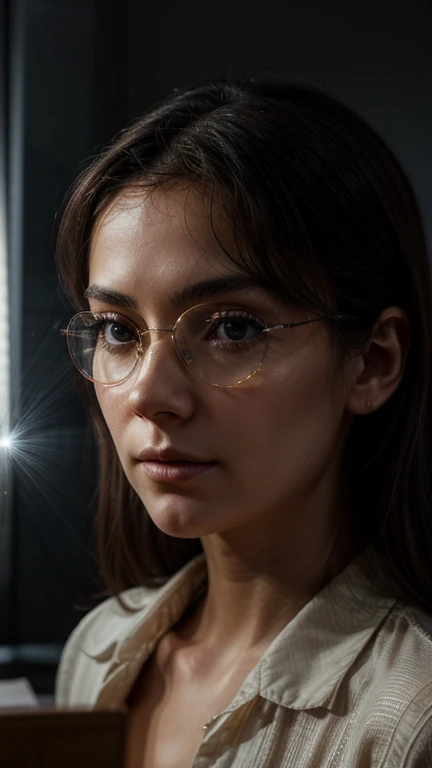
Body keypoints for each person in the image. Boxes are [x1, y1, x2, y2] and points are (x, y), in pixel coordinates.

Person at [54, 75, 432, 767]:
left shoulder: (411, 717)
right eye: (117, 329)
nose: (152, 394)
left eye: (232, 327)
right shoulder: (98, 651)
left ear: (373, 361)